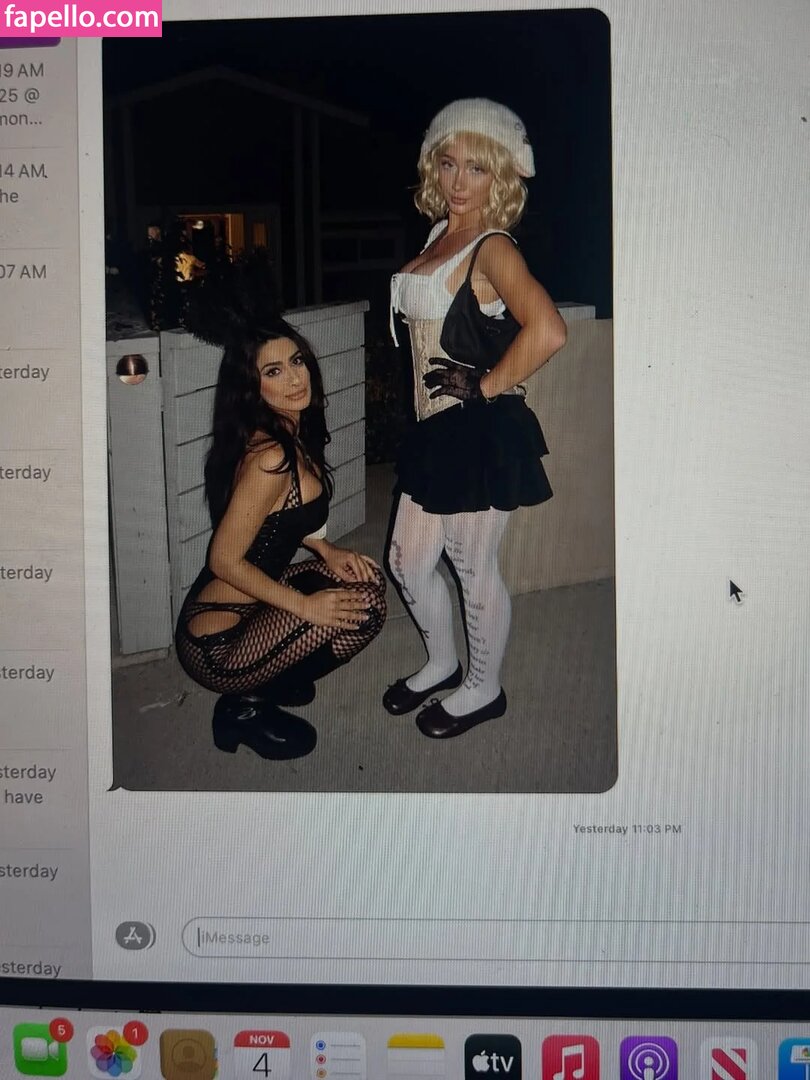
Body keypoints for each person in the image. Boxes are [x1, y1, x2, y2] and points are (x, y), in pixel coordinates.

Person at [384, 98, 568, 739]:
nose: (459, 181)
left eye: (478, 169)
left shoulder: (493, 248)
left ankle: (484, 688)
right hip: (432, 429)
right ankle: (442, 663)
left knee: (470, 564)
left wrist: (485, 386)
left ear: (502, 176)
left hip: (476, 428)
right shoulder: (441, 233)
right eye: (449, 163)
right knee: (407, 560)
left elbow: (548, 329)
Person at [175, 253, 386, 760]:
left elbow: (284, 517)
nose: (295, 378)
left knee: (366, 587)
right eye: (274, 370)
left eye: (296, 361)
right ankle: (243, 705)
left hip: (251, 605)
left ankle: (274, 673)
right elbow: (223, 560)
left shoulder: (289, 428)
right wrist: (305, 606)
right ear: (253, 386)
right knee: (364, 612)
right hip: (218, 641)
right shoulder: (269, 457)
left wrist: (326, 549)